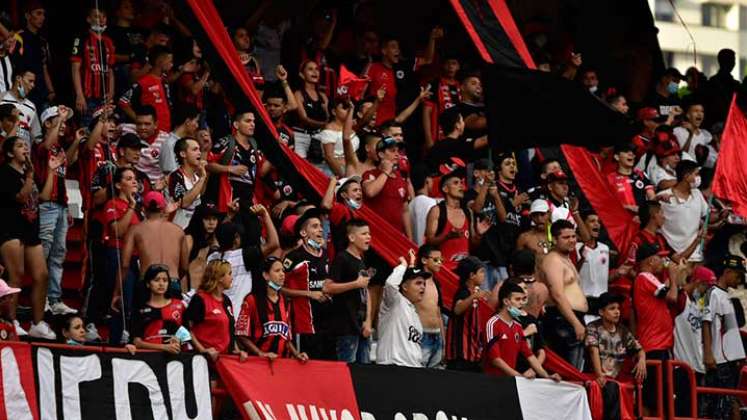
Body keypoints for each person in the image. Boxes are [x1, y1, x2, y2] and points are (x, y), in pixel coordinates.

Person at [0, 137, 56, 338]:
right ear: (8, 153)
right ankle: (11, 322)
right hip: (10, 228)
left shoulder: (29, 173)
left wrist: (51, 171)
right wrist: (31, 175)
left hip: (31, 229)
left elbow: (45, 197)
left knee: (42, 275)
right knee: (16, 276)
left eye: (26, 145)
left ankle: (37, 323)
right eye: (19, 146)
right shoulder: (5, 172)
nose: (25, 148)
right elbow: (21, 197)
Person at [632, 242, 687, 414]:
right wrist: (673, 275)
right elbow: (672, 297)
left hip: (659, 345)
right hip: (653, 346)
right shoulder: (644, 277)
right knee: (651, 398)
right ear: (650, 261)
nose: (662, 260)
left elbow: (670, 293)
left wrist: (676, 275)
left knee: (660, 398)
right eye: (659, 257)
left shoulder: (649, 279)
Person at [36, 106, 79, 316]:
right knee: (43, 253)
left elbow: (69, 161)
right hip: (46, 205)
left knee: (58, 254)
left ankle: (54, 299)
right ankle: (40, 298)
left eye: (64, 121)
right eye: (58, 120)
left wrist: (77, 140)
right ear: (46, 123)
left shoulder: (60, 149)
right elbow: (46, 146)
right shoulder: (40, 145)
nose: (63, 124)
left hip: (60, 205)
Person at [281, 208, 335, 359]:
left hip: (328, 322)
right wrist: (309, 294)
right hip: (305, 324)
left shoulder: (326, 255)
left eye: (320, 226)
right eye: (314, 226)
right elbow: (278, 287)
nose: (320, 230)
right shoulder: (294, 258)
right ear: (303, 233)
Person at [585, 292, 646, 420]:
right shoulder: (593, 327)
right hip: (595, 378)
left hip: (614, 381)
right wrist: (599, 374)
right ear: (601, 312)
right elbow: (593, 350)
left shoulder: (623, 331)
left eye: (618, 308)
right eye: (612, 309)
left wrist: (642, 359)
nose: (617, 312)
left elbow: (639, 349)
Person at [236, 256, 309, 361]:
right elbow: (241, 334)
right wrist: (260, 353)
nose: (282, 274)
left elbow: (286, 338)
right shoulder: (251, 300)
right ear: (266, 275)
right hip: (258, 364)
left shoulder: (286, 301)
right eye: (277, 271)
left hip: (282, 364)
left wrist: (297, 354)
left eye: (283, 271)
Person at [484, 282, 561, 380]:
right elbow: (495, 359)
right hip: (493, 380)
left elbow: (530, 356)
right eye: (517, 299)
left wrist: (546, 376)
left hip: (511, 380)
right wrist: (519, 376)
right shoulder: (493, 323)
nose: (521, 303)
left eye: (522, 299)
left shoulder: (517, 326)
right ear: (506, 301)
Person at [99, 167, 141, 344]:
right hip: (116, 255)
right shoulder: (112, 204)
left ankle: (124, 338)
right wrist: (131, 207)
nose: (134, 182)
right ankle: (115, 341)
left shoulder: (135, 207)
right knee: (122, 301)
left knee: (130, 301)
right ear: (118, 184)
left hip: (133, 258)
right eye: (129, 178)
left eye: (135, 178)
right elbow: (117, 231)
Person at [539, 219, 588, 370]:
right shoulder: (553, 260)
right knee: (569, 373)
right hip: (562, 320)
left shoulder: (565, 259)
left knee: (576, 371)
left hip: (571, 319)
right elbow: (558, 295)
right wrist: (575, 323)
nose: (572, 241)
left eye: (573, 236)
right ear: (554, 239)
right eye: (566, 238)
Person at [702, 255, 746, 420]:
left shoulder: (727, 296)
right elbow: (706, 322)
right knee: (718, 408)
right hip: (719, 360)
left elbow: (730, 331)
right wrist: (708, 353)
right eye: (738, 275)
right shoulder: (710, 293)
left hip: (730, 360)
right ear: (727, 272)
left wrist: (738, 355)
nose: (740, 280)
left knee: (726, 406)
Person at [323, 219, 373, 363]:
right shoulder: (342, 258)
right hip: (345, 327)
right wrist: (355, 284)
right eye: (364, 234)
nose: (368, 237)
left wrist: (368, 320)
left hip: (361, 326)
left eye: (369, 234)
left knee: (364, 374)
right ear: (351, 237)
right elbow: (327, 287)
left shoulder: (361, 260)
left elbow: (366, 291)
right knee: (347, 371)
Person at [119, 191, 184, 298]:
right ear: (163, 209)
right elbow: (184, 266)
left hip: (148, 282)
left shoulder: (135, 230)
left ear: (143, 210)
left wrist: (117, 292)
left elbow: (124, 265)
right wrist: (171, 279)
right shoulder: (178, 231)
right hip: (172, 281)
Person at [184, 259, 248, 361]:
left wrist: (237, 350)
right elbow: (186, 328)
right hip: (205, 361)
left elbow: (229, 330)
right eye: (229, 274)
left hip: (226, 360)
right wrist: (202, 350)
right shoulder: (200, 299)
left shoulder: (226, 300)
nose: (232, 278)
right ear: (220, 277)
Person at [377, 251, 429, 368]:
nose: (423, 287)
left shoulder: (414, 314)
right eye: (418, 283)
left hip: (412, 369)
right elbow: (390, 284)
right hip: (393, 367)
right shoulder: (395, 302)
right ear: (404, 287)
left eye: (424, 284)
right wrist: (403, 265)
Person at [206, 109, 264, 212]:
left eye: (253, 121)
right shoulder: (226, 142)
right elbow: (208, 165)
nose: (252, 124)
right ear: (236, 125)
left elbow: (261, 172)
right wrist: (230, 169)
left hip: (250, 202)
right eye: (248, 121)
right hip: (229, 200)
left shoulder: (255, 147)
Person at [425, 170, 484, 271]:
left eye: (461, 183)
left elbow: (474, 243)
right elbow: (429, 241)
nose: (461, 186)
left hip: (465, 271)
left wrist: (479, 234)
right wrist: (447, 237)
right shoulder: (437, 211)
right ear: (445, 189)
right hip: (445, 270)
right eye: (456, 183)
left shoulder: (468, 212)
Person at [445, 256, 493, 372]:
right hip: (460, 353)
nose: (484, 275)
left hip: (473, 351)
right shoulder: (463, 291)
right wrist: (474, 297)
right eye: (481, 272)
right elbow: (457, 309)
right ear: (471, 275)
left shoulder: (473, 292)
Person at [657, 160, 710, 263]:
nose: (699, 177)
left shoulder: (697, 194)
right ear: (686, 176)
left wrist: (722, 215)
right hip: (672, 256)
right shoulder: (663, 197)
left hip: (695, 255)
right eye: (696, 174)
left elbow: (707, 215)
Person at [362, 136, 413, 240]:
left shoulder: (401, 178)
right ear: (381, 154)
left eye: (398, 151)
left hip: (397, 236)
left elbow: (405, 211)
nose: (397, 154)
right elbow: (370, 192)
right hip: (376, 236)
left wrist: (410, 238)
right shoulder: (369, 174)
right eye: (392, 150)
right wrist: (386, 172)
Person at [71, 7, 115, 126]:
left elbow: (111, 70)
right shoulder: (81, 39)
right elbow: (75, 68)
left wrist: (111, 93)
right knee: (87, 130)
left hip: (104, 98)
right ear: (88, 19)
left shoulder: (109, 42)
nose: (100, 19)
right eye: (96, 16)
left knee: (105, 131)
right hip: (88, 97)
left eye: (103, 17)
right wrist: (79, 95)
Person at [131, 264, 187, 353]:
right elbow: (136, 342)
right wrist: (164, 347)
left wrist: (179, 339)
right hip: (148, 357)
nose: (161, 284)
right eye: (156, 280)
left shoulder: (179, 305)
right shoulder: (140, 309)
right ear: (148, 284)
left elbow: (188, 334)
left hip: (175, 361)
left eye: (165, 280)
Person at [119, 45, 173, 132]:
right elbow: (123, 102)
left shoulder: (164, 81)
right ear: (160, 62)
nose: (172, 64)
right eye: (169, 61)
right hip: (150, 133)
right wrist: (140, 121)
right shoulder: (144, 82)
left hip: (165, 130)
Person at [575, 211, 612, 321]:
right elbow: (572, 274)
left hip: (602, 303)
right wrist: (582, 258)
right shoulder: (576, 248)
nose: (597, 224)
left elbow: (604, 276)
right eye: (592, 221)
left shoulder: (605, 248)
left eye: (598, 222)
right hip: (583, 301)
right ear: (582, 225)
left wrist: (619, 272)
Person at [292, 60, 329, 161]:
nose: (315, 72)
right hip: (301, 136)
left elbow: (328, 118)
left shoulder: (323, 96)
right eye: (310, 69)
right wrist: (323, 125)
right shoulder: (298, 94)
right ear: (302, 75)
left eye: (317, 69)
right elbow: (304, 119)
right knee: (301, 168)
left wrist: (326, 112)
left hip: (319, 136)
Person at [168, 137, 208, 228]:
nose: (199, 153)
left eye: (199, 149)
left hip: (192, 230)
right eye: (194, 149)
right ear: (183, 154)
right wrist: (203, 178)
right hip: (176, 229)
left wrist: (203, 175)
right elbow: (183, 203)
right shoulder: (176, 176)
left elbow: (201, 193)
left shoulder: (197, 177)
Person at [607, 142, 655, 216]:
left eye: (633, 152)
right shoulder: (610, 178)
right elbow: (607, 202)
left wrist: (659, 197)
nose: (631, 154)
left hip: (642, 219)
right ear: (617, 157)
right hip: (621, 219)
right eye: (626, 152)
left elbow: (652, 198)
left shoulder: (641, 175)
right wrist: (627, 207)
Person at [416, 244, 444, 367]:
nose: (439, 263)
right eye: (436, 260)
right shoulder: (416, 282)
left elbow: (438, 313)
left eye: (441, 260)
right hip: (421, 334)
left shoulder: (437, 283)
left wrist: (443, 339)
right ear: (424, 260)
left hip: (436, 334)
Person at [181, 202, 220, 291]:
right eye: (207, 219)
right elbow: (182, 268)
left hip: (202, 289)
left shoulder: (211, 240)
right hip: (186, 289)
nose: (211, 223)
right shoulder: (189, 239)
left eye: (214, 219)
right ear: (199, 219)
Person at [318, 97, 359, 177]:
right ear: (334, 112)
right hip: (335, 171)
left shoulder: (352, 127)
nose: (348, 110)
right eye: (344, 108)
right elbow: (329, 157)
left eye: (349, 108)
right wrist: (342, 175)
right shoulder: (329, 129)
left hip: (354, 168)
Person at [0, 67, 41, 148]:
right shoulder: (1, 99)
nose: (33, 85)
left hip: (25, 157)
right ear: (18, 78)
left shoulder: (31, 106)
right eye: (30, 81)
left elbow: (37, 137)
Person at [159, 105, 200, 175]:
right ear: (187, 122)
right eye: (196, 121)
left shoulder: (186, 141)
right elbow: (170, 173)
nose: (197, 125)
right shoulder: (170, 144)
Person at [409, 164, 437, 246]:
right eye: (431, 178)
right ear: (427, 181)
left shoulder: (410, 205)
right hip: (429, 251)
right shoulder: (433, 204)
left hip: (414, 250)